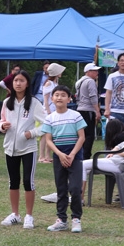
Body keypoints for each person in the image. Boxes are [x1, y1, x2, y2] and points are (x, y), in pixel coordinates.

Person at [0, 69, 46, 229]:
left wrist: (31, 133)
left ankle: (29, 216)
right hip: (10, 148)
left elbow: (46, 124)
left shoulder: (34, 103)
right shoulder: (7, 103)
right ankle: (15, 214)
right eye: (15, 81)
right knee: (13, 181)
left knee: (28, 181)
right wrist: (2, 126)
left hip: (28, 148)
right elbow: (2, 120)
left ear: (27, 84)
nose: (18, 83)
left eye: (21, 81)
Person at [42, 85, 86, 233]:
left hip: (75, 156)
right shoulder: (49, 118)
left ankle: (76, 219)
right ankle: (61, 220)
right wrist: (60, 155)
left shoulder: (75, 115)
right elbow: (48, 140)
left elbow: (82, 137)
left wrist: (72, 154)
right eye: (56, 95)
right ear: (52, 98)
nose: (59, 97)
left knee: (75, 188)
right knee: (61, 190)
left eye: (63, 95)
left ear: (69, 98)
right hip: (59, 156)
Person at [81, 109, 124, 193]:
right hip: (115, 161)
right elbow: (120, 146)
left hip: (118, 164)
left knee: (82, 165)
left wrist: (114, 153)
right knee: (85, 169)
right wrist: (113, 151)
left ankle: (79, 198)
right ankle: (77, 195)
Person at [73, 63, 101, 160]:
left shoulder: (79, 81)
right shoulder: (90, 81)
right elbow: (93, 97)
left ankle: (80, 155)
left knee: (81, 135)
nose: (97, 72)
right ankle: (86, 156)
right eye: (95, 71)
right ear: (88, 72)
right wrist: (97, 111)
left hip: (80, 109)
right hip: (88, 110)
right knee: (89, 135)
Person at [38, 63, 64, 162]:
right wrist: (48, 112)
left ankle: (48, 155)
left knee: (51, 135)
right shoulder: (49, 83)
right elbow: (46, 99)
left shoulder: (55, 84)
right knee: (44, 134)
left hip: (53, 110)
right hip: (47, 111)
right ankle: (41, 156)